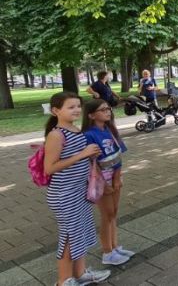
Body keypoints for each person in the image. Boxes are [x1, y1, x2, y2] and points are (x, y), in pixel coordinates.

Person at [43, 92, 110, 286]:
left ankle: (80, 274)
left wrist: (90, 157)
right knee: (70, 236)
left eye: (78, 106)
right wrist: (82, 154)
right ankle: (64, 281)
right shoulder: (56, 135)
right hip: (64, 194)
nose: (77, 110)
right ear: (56, 111)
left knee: (80, 233)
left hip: (79, 191)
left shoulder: (74, 129)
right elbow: (50, 168)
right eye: (70, 107)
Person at [82, 99, 135, 266]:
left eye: (108, 109)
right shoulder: (88, 135)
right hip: (100, 180)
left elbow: (119, 155)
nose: (108, 112)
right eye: (103, 109)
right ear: (91, 115)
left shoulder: (110, 129)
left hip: (114, 177)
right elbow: (91, 162)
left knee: (114, 212)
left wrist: (117, 177)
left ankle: (114, 247)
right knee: (107, 215)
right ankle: (107, 252)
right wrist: (104, 185)